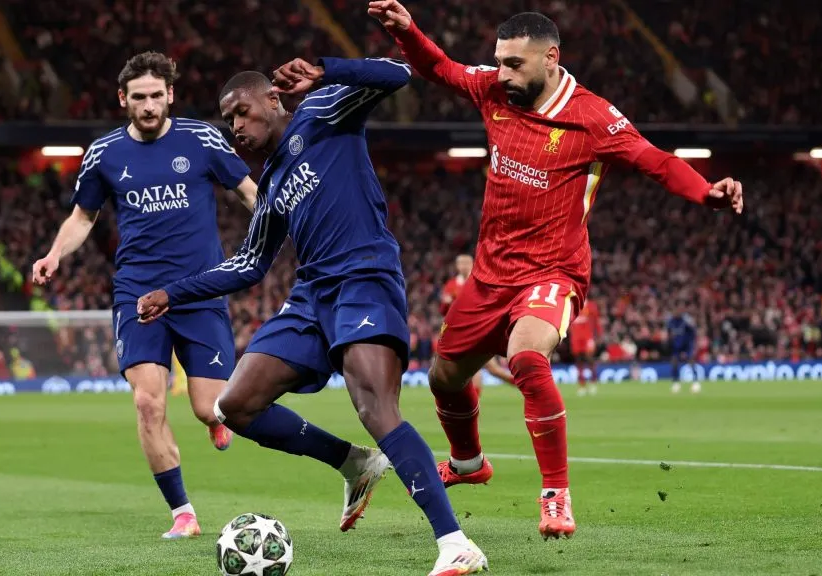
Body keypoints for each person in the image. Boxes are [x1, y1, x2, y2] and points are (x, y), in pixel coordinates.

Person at [369, 1, 744, 539]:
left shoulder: (592, 116)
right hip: (490, 273)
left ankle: (556, 496)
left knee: (526, 356)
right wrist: (408, 33)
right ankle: (470, 464)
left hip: (553, 270)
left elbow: (656, 160)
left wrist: (707, 191)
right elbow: (443, 69)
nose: (502, 74)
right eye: (499, 62)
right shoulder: (495, 90)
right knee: (444, 378)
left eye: (514, 64)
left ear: (551, 58)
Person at [136, 55, 487, 575]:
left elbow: (398, 75)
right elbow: (250, 264)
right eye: (227, 120)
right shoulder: (272, 182)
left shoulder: (324, 109)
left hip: (364, 275)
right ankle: (353, 462)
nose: (235, 128)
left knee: (373, 403)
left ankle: (456, 542)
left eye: (242, 113)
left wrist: (327, 69)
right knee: (235, 405)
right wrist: (175, 292)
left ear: (273, 100)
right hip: (312, 297)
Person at [31, 51, 258, 540]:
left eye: (157, 95)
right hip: (137, 294)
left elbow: (246, 189)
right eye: (140, 98)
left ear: (170, 94)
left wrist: (284, 230)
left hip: (199, 288)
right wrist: (54, 255)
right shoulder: (103, 153)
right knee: (148, 403)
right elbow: (82, 218)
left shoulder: (200, 137)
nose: (150, 105)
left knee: (209, 407)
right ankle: (183, 513)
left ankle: (212, 420)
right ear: (123, 100)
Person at [441, 254, 513, 392]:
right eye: (461, 263)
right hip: (457, 330)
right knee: (488, 369)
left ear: (472, 264)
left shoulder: (478, 282)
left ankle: (523, 385)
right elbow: (444, 311)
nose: (463, 266)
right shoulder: (451, 285)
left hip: (477, 328)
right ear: (457, 266)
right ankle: (524, 386)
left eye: (466, 263)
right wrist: (446, 304)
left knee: (484, 368)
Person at [570, 299, 601, 396]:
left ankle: (593, 382)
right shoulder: (571, 305)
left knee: (589, 359)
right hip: (576, 338)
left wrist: (598, 335)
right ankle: (582, 385)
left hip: (587, 337)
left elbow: (596, 321)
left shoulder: (591, 305)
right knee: (579, 361)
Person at [667, 306, 700, 393]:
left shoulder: (686, 320)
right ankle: (676, 382)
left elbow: (693, 331)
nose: (676, 312)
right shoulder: (671, 321)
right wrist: (671, 339)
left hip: (687, 344)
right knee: (674, 362)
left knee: (691, 361)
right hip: (676, 345)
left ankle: (695, 382)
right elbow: (669, 333)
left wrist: (692, 344)